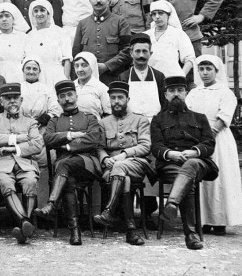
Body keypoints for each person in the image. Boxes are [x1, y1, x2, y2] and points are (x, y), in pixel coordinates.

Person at [150, 75, 218, 250]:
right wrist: (171, 154)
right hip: (170, 164)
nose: (176, 94)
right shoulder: (158, 120)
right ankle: (191, 235)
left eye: (180, 90)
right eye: (172, 91)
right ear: (165, 95)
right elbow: (156, 147)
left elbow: (209, 144)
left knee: (190, 165)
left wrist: (193, 152)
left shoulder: (200, 118)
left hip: (198, 162)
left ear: (186, 93)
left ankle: (171, 203)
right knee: (188, 181)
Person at [34, 80, 102, 246]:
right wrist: (72, 135)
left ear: (76, 96)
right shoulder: (54, 121)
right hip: (65, 167)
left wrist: (65, 145)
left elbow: (93, 138)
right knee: (68, 180)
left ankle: (51, 205)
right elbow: (47, 139)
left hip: (87, 163)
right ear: (58, 101)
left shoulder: (89, 117)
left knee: (64, 166)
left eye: (70, 95)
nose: (67, 99)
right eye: (62, 96)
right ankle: (75, 231)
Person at [186, 55, 242, 234]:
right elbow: (188, 115)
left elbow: (223, 118)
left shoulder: (225, 92)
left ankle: (220, 221)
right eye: (201, 69)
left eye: (208, 69)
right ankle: (202, 220)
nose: (204, 73)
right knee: (200, 180)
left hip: (218, 141)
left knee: (219, 179)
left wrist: (208, 135)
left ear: (216, 71)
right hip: (197, 140)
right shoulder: (194, 93)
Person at [0, 83, 43, 244]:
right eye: (8, 98)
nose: (12, 101)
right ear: (1, 102)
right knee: (5, 182)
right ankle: (25, 223)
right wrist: (18, 138)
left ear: (21, 100)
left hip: (25, 162)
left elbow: (38, 144)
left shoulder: (30, 122)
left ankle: (23, 226)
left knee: (30, 181)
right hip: (0, 163)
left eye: (15, 98)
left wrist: (12, 148)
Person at [94, 81, 151, 246]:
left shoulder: (140, 120)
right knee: (123, 178)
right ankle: (131, 230)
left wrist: (124, 155)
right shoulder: (104, 123)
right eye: (113, 98)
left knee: (120, 167)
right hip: (111, 167)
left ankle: (108, 211)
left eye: (120, 97)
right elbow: (100, 147)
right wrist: (105, 159)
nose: (116, 101)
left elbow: (145, 146)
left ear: (128, 99)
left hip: (136, 163)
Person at [19, 56, 62, 205]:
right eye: (28, 68)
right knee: (23, 165)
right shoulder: (18, 87)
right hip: (22, 131)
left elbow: (56, 109)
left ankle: (42, 207)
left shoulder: (46, 88)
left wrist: (42, 119)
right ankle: (24, 209)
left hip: (41, 130)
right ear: (23, 70)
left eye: (34, 69)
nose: (31, 71)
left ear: (39, 71)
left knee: (43, 166)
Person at [72, 0, 132, 84]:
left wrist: (107, 66)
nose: (98, 0)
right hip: (88, 78)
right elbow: (76, 52)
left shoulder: (120, 21)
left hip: (113, 77)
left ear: (108, 0)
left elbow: (128, 50)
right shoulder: (83, 23)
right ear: (90, 0)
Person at [117, 32, 167, 120]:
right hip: (130, 124)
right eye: (137, 51)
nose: (141, 55)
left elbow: (165, 105)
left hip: (155, 123)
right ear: (131, 53)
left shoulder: (159, 76)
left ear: (150, 53)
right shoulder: (123, 77)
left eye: (144, 51)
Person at [25, 0, 71, 87]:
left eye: (42, 10)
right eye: (36, 11)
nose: (39, 14)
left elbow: (67, 60)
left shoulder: (60, 32)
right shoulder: (29, 35)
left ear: (48, 12)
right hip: (38, 76)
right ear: (32, 14)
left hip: (57, 74)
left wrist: (65, 79)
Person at [144, 0, 195, 78]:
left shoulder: (178, 34)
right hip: (150, 79)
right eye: (154, 14)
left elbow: (190, 58)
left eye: (161, 13)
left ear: (168, 15)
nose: (157, 17)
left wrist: (181, 76)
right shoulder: (146, 35)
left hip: (172, 78)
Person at [0, 2, 29, 84]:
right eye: (0, 16)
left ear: (13, 19)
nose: (4, 19)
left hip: (19, 73)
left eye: (7, 16)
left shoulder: (23, 37)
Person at [72, 51, 112, 119]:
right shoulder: (71, 86)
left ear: (92, 66)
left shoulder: (101, 88)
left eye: (84, 65)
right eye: (77, 66)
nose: (80, 69)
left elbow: (108, 114)